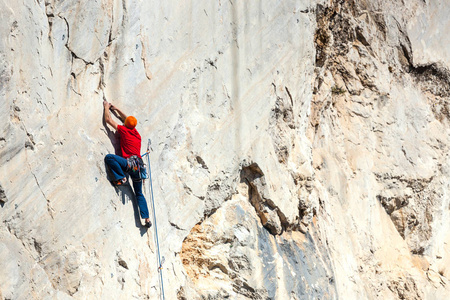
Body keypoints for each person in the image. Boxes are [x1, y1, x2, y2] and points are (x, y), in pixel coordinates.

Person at [103, 100, 151, 227]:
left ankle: (121, 178)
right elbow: (127, 119)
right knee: (139, 193)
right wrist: (116, 108)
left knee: (109, 158)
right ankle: (146, 219)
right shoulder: (137, 134)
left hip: (129, 164)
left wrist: (106, 107)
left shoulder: (123, 130)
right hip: (139, 168)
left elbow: (108, 120)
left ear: (126, 124)